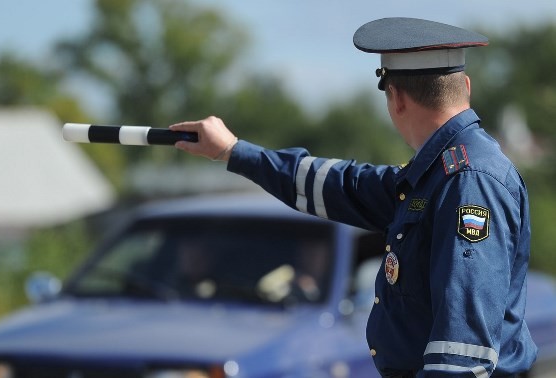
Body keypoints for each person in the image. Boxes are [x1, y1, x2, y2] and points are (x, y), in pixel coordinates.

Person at [168, 17, 537, 378]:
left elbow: (462, 354)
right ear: (466, 87)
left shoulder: (467, 180)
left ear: (395, 97)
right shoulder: (439, 173)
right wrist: (233, 151)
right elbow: (341, 185)